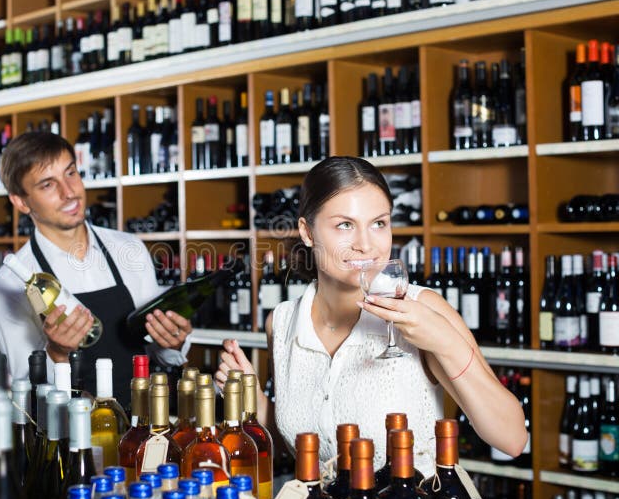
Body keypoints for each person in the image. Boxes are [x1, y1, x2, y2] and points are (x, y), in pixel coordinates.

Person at [214, 156, 527, 476]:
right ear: (307, 232)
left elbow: (512, 440)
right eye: (345, 225)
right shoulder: (281, 324)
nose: (366, 244)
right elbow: (304, 446)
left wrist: (446, 342)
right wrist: (254, 399)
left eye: (379, 223)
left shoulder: (423, 309)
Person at [0, 132, 192, 405]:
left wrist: (171, 341)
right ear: (21, 202)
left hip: (141, 427)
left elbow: (154, 351)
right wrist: (57, 353)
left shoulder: (129, 249)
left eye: (70, 173)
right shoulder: (9, 285)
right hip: (69, 438)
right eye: (48, 185)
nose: (69, 192)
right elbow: (25, 390)